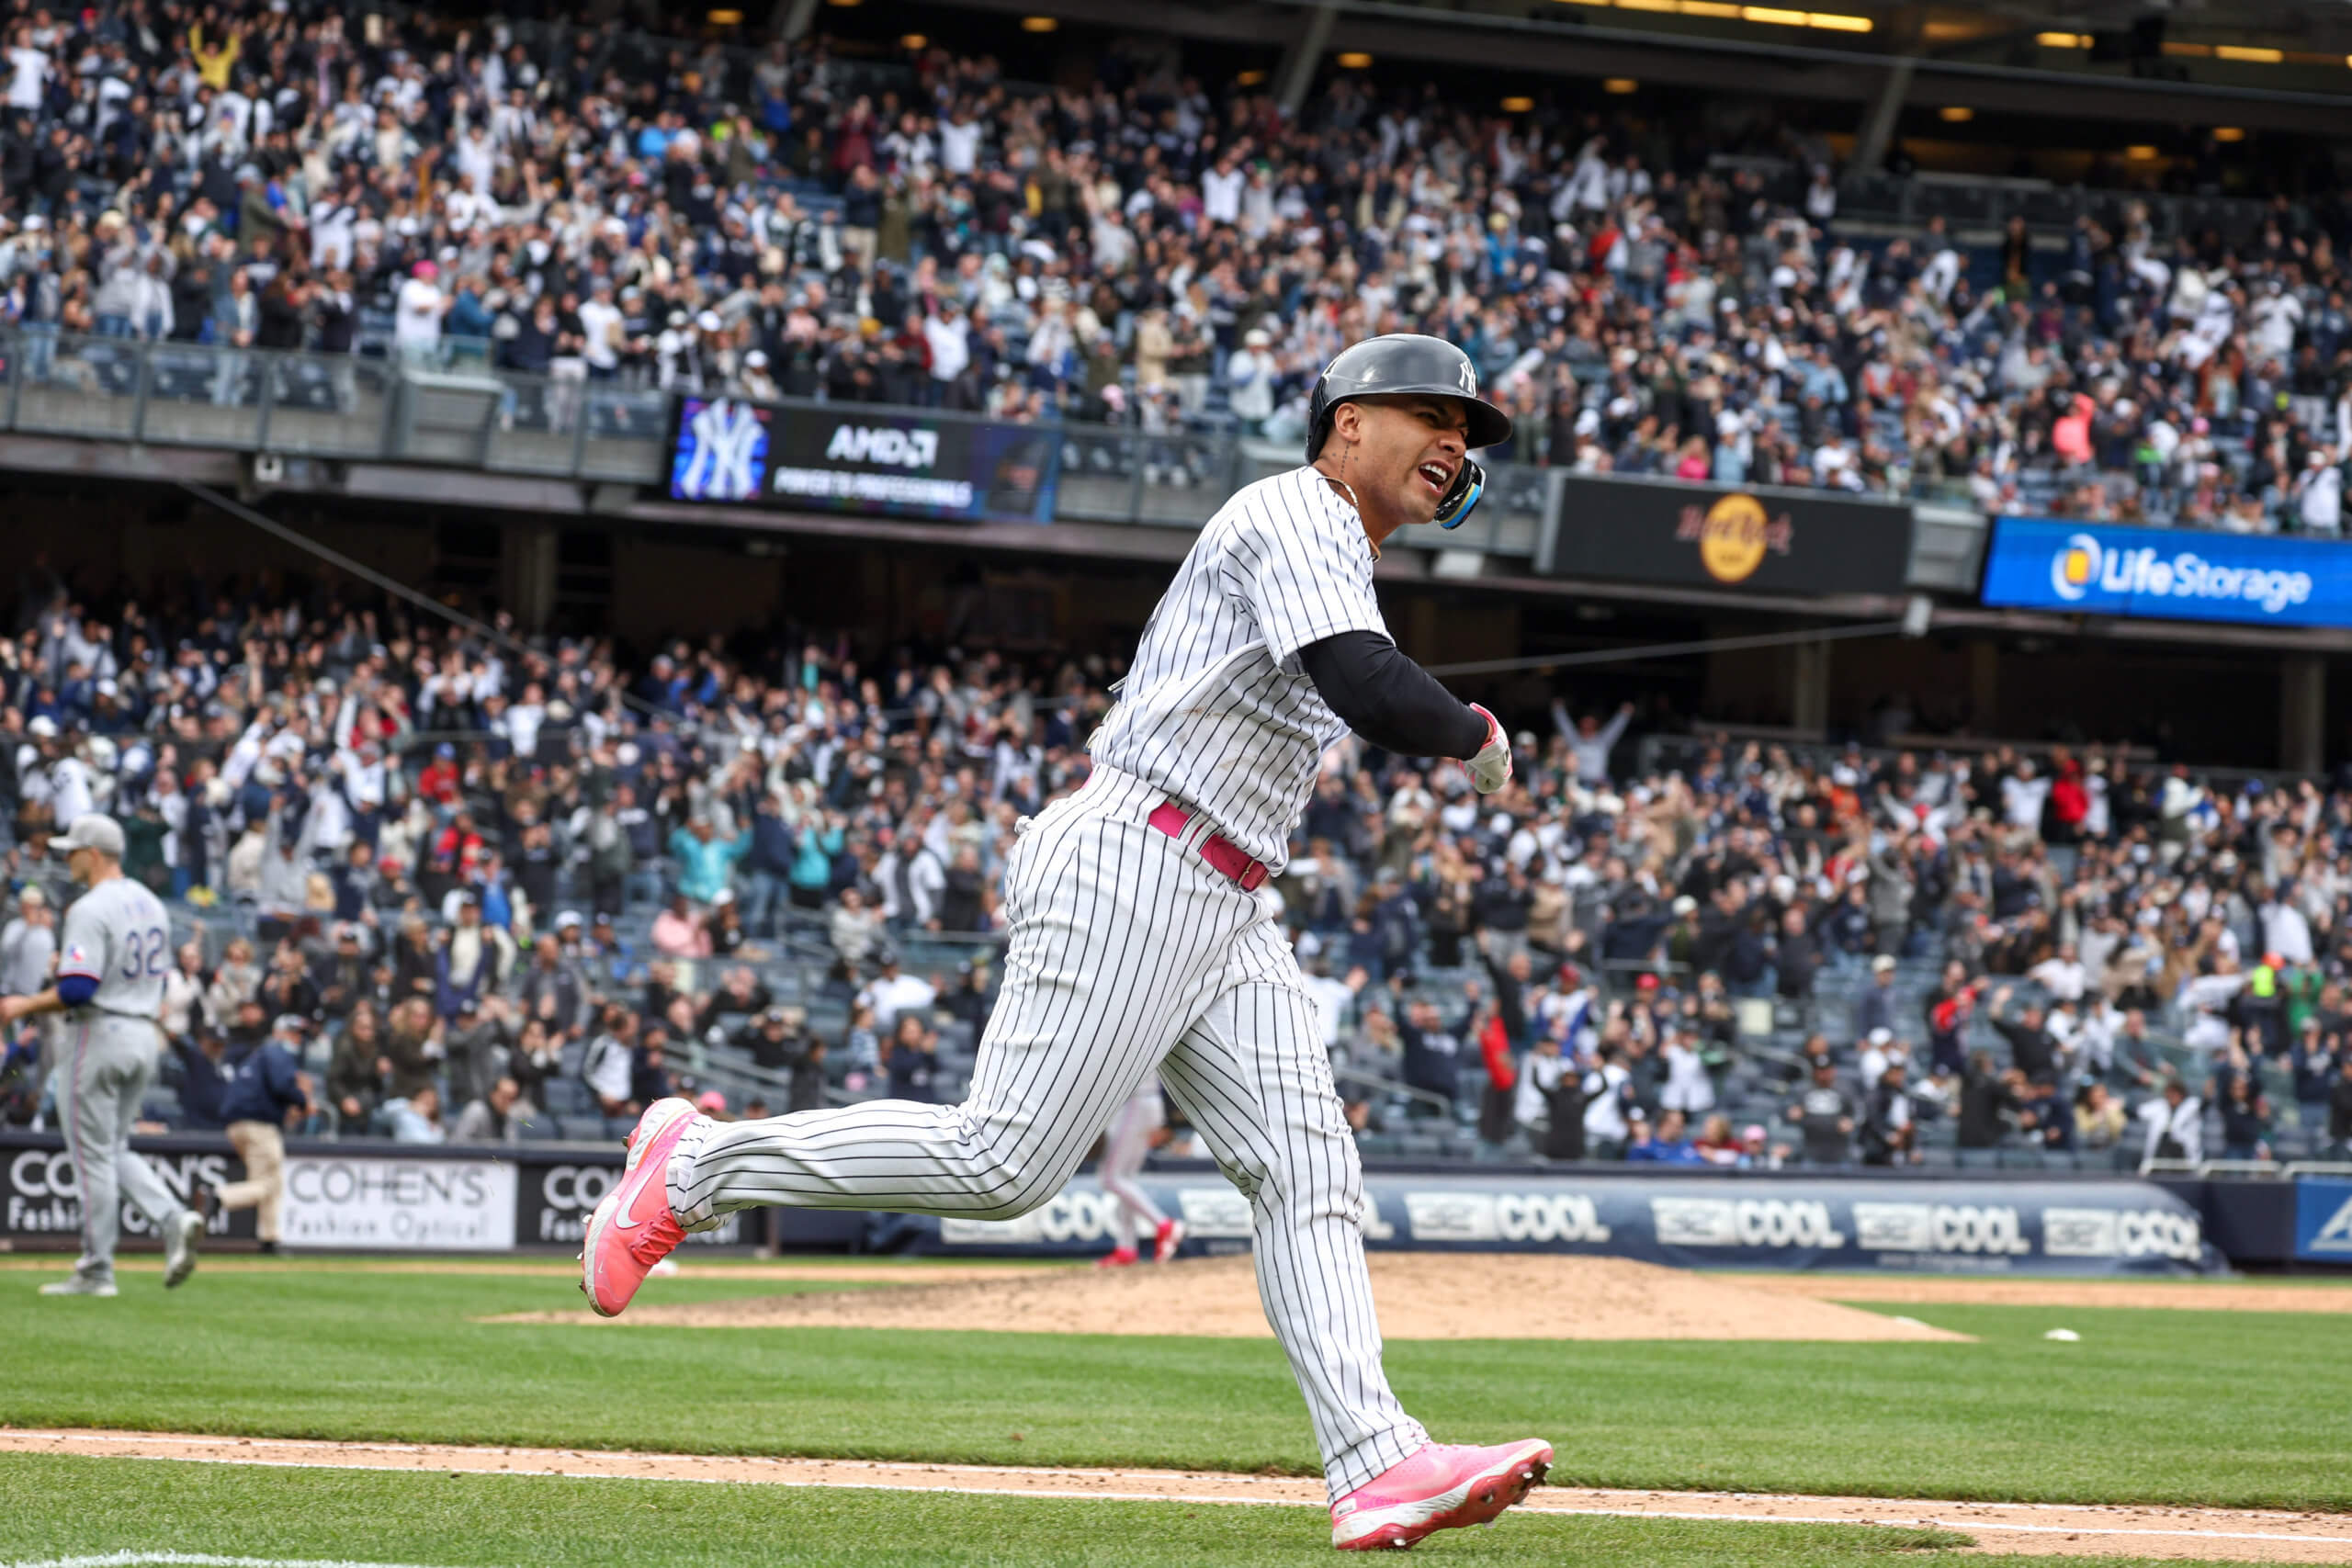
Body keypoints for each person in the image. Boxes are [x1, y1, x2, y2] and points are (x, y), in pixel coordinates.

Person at [579, 334, 1549, 1551]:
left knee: (1307, 1166)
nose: (1457, 438)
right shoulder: (1297, 506)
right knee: (1005, 1164)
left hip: (1230, 896)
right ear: (1346, 424)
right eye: (1431, 410)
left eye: (1470, 427)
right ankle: (694, 1167)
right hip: (1140, 856)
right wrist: (1471, 730)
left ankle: (1374, 1459)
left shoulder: (1341, 547)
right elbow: (1363, 680)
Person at [0, 815, 204, 1295]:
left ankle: (96, 1269)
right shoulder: (151, 902)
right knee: (112, 1149)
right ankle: (174, 1218)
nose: (66, 858)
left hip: (98, 1032)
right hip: (142, 1034)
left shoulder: (90, 907)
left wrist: (23, 1004)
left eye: (72, 850)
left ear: (93, 854)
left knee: (91, 1156)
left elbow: (76, 988)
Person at [206, 1013, 315, 1254]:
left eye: (298, 1034)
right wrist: (302, 1101)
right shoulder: (276, 1051)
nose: (296, 1039)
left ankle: (269, 1239)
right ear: (279, 1032)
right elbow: (283, 1085)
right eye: (293, 1032)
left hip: (237, 1126)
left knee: (270, 1183)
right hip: (259, 1126)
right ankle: (220, 1196)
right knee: (268, 1183)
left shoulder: (256, 1055)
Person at [1094, 1078, 1185, 1267]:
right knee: (1125, 1178)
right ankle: (1126, 1249)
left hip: (1133, 1101)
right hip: (1147, 1101)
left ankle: (1164, 1225)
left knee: (1110, 1178)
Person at [1785, 1058, 1855, 1166]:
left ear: (1833, 1071)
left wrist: (1851, 1121)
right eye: (1820, 1071)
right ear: (1814, 1072)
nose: (1823, 1074)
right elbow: (1785, 1109)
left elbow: (1859, 1110)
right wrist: (1792, 1112)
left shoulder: (1845, 1089)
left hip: (1839, 1148)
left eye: (1826, 1070)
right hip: (1810, 1147)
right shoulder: (1802, 1089)